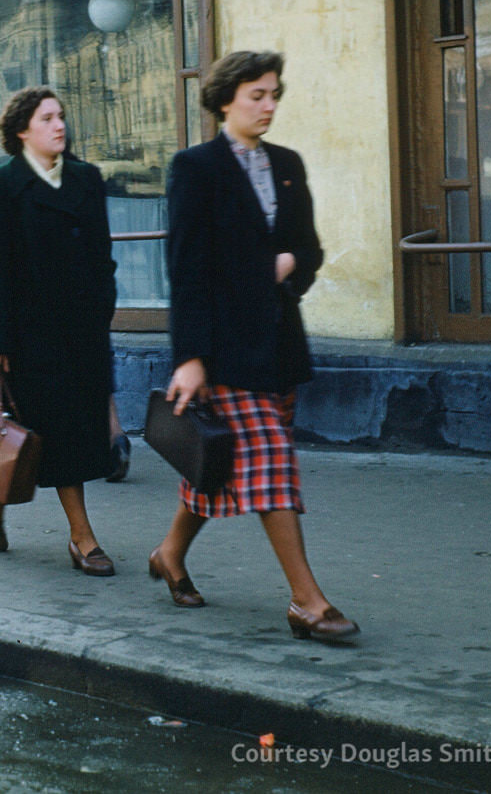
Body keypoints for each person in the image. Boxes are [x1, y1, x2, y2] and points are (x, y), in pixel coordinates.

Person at [151, 50, 358, 641]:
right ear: (225, 101)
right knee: (270, 464)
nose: (268, 106)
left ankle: (170, 553)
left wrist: (291, 262)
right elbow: (185, 269)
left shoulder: (287, 164)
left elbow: (309, 249)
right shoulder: (195, 167)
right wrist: (188, 357)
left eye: (274, 95)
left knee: (216, 464)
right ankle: (307, 602)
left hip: (278, 347)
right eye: (256, 96)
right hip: (221, 350)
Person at [0, 86, 119, 575]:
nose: (60, 126)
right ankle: (82, 537)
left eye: (61, 117)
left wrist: (101, 312)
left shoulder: (86, 178)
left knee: (66, 434)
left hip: (83, 335)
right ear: (22, 131)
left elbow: (103, 257)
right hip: (29, 338)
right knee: (56, 436)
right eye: (48, 118)